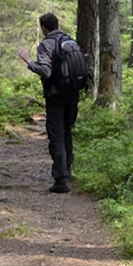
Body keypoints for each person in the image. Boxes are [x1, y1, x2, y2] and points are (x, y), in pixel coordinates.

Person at [17, 12, 79, 193]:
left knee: (57, 135)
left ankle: (61, 180)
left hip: (56, 97)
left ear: (44, 28)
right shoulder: (70, 41)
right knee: (67, 132)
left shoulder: (46, 45)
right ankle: (67, 170)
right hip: (73, 94)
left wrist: (29, 61)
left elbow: (45, 71)